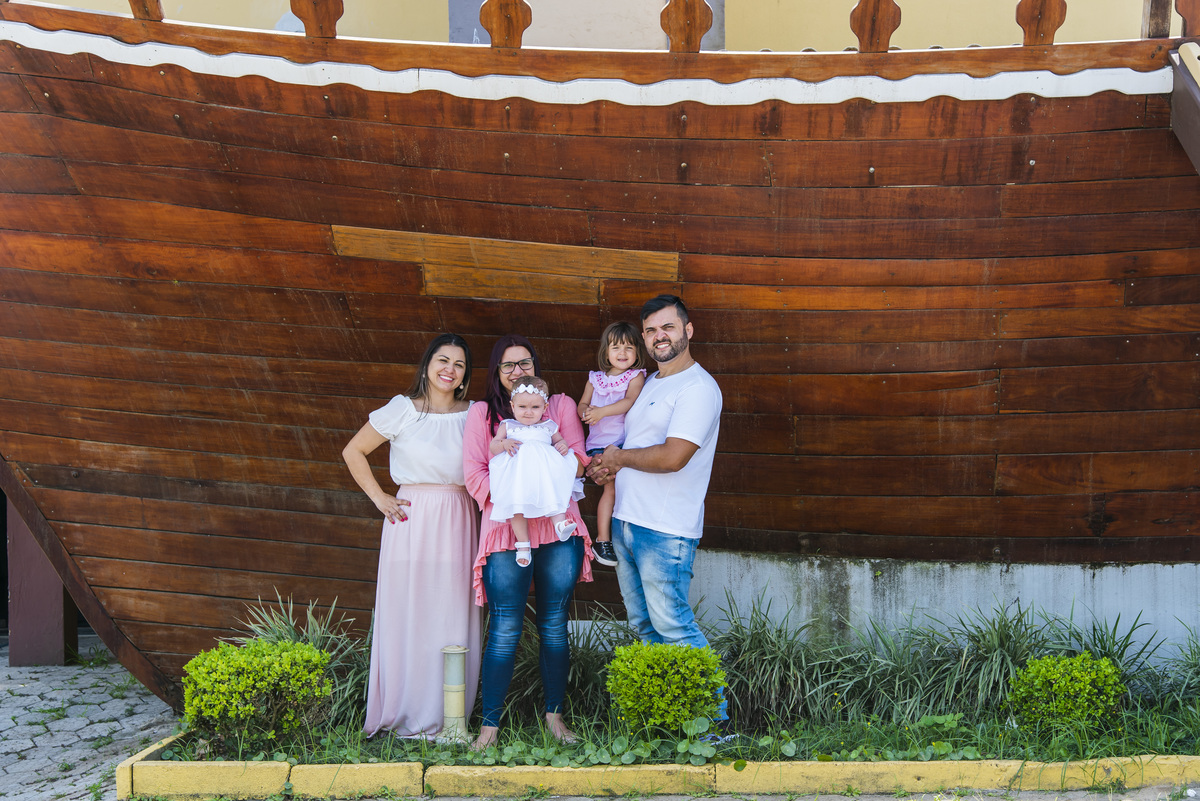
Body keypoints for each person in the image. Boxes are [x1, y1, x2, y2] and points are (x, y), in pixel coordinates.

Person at [341, 333, 480, 738]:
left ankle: (448, 714)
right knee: (409, 612)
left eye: (458, 364)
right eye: (442, 360)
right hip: (411, 519)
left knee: (451, 613)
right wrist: (380, 497)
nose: (449, 370)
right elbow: (353, 451)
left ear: (465, 375)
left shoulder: (475, 413)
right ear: (427, 365)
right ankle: (403, 710)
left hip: (458, 517)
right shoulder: (402, 409)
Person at [463, 334, 594, 750]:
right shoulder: (484, 414)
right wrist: (520, 495)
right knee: (505, 625)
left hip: (558, 525)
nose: (517, 371)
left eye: (525, 363)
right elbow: (474, 474)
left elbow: (578, 463)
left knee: (554, 623)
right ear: (496, 372)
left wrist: (543, 492)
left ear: (536, 366)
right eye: (508, 365)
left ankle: (555, 717)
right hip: (508, 527)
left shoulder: (560, 407)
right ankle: (489, 725)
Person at [586, 295, 722, 656]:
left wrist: (618, 458)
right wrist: (606, 467)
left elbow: (674, 457)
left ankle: (714, 698)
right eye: (650, 330)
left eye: (668, 327)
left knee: (673, 626)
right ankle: (667, 698)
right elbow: (631, 443)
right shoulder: (649, 383)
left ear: (688, 330)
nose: (659, 335)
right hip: (626, 520)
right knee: (645, 628)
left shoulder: (697, 388)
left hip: (664, 528)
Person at [577, 321, 647, 567]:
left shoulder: (635, 376)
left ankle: (618, 538)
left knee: (623, 490)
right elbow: (582, 404)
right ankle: (602, 540)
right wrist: (586, 412)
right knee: (611, 491)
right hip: (598, 445)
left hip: (623, 445)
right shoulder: (594, 379)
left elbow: (629, 401)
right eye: (616, 347)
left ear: (637, 351)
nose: (622, 353)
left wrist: (602, 412)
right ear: (606, 352)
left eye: (629, 347)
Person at [489, 376, 579, 566]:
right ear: (512, 406)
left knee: (553, 494)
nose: (528, 412)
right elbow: (494, 446)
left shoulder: (549, 426)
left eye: (535, 407)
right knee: (516, 508)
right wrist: (504, 443)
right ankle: (523, 544)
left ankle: (560, 523)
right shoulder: (508, 425)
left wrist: (562, 445)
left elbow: (559, 440)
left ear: (545, 407)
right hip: (517, 477)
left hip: (542, 476)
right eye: (522, 407)